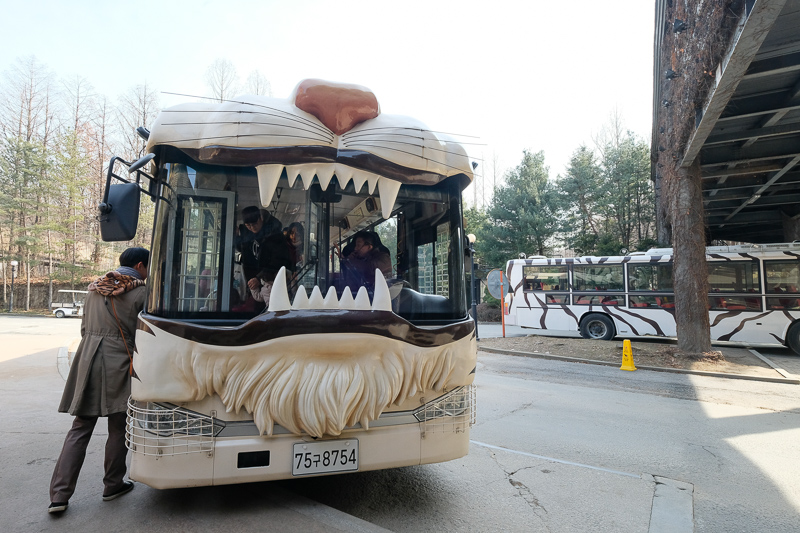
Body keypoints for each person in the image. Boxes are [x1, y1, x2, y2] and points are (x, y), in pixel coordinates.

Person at [48, 247, 149, 514]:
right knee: (118, 426)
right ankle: (112, 484)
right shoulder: (141, 293)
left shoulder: (94, 289)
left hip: (88, 360)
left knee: (80, 428)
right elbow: (145, 336)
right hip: (120, 363)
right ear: (140, 266)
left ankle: (59, 496)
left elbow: (83, 329)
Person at [235, 206, 282, 281]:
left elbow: (275, 260)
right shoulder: (246, 232)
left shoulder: (273, 233)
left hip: (267, 279)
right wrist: (236, 236)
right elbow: (243, 249)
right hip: (251, 277)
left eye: (254, 224)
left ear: (261, 218)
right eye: (248, 225)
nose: (252, 227)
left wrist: (259, 277)